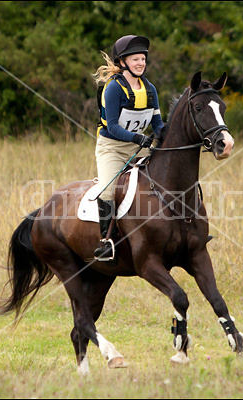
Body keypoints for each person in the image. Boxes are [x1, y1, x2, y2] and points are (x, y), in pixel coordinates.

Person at [91, 35, 165, 261]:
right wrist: (137, 138)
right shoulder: (113, 88)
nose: (141, 63)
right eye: (135, 59)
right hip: (112, 147)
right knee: (107, 190)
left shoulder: (150, 89)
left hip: (139, 145)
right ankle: (106, 242)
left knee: (167, 177)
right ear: (123, 62)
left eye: (143, 59)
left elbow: (158, 125)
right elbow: (112, 126)